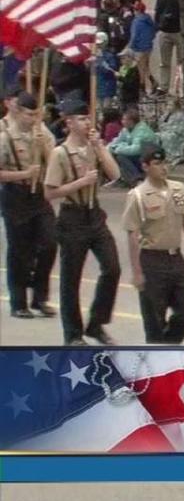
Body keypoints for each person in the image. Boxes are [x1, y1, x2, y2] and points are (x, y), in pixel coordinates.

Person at [43, 99, 122, 345]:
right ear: (69, 122)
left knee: (112, 268)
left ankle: (96, 323)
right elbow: (50, 192)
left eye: (88, 118)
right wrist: (81, 182)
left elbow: (115, 174)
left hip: (94, 215)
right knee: (71, 279)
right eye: (81, 118)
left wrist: (100, 148)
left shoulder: (92, 147)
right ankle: (73, 334)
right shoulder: (60, 153)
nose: (87, 122)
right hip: (72, 216)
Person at [123, 146, 184, 344]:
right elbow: (132, 234)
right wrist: (137, 272)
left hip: (176, 258)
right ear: (145, 167)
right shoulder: (138, 195)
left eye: (164, 162)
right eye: (157, 163)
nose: (163, 167)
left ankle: (167, 346)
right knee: (154, 321)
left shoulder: (179, 189)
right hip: (152, 260)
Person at [0, 91, 58, 319]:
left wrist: (43, 147)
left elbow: (55, 161)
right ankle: (19, 301)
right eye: (28, 114)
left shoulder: (42, 133)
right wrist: (24, 173)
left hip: (39, 194)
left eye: (36, 114)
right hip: (16, 194)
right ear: (17, 112)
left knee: (49, 243)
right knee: (20, 250)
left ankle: (40, 297)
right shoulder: (5, 137)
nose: (32, 119)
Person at [106, 109, 158, 187]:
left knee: (121, 156)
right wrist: (108, 148)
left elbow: (135, 150)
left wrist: (118, 149)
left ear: (131, 121)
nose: (122, 121)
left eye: (124, 119)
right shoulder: (126, 129)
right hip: (139, 156)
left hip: (149, 157)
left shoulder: (141, 130)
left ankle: (137, 179)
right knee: (115, 154)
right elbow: (116, 141)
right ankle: (121, 178)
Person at [154, 0, 184, 88]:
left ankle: (181, 87)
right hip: (165, 30)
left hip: (179, 30)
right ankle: (164, 86)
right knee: (164, 62)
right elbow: (158, 10)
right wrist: (158, 22)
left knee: (181, 61)